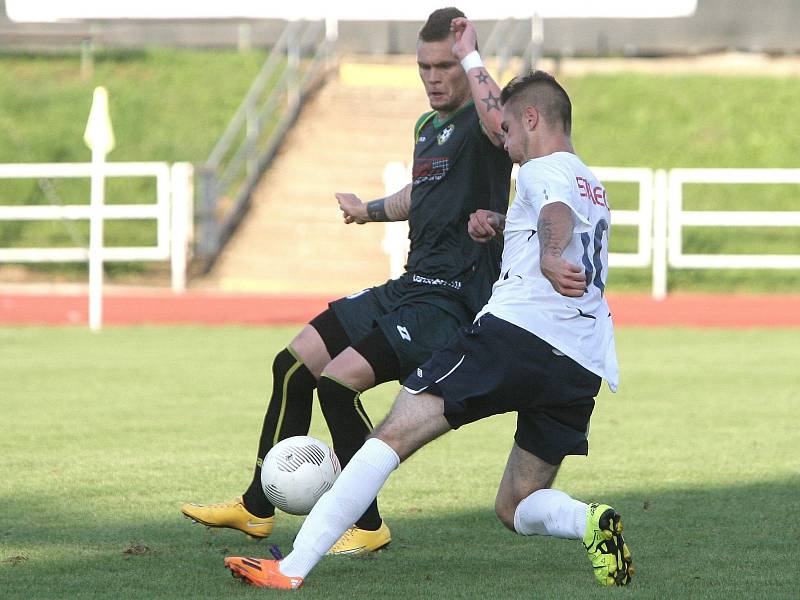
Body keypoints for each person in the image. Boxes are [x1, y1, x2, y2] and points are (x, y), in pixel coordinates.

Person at [221, 44, 634, 589]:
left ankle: (290, 568)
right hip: (582, 362)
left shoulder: (542, 168)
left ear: (532, 118)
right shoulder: (590, 182)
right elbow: (555, 213)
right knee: (516, 505)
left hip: (518, 338)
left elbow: (554, 216)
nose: (505, 144)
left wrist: (551, 256)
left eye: (508, 129)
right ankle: (589, 521)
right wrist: (504, 220)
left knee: (390, 435)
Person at [181, 7, 512, 555]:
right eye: (423, 67)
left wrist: (473, 55)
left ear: (463, 65)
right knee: (291, 365)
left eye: (443, 67)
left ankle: (367, 523)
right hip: (408, 285)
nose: (432, 78)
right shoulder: (428, 127)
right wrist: (369, 210)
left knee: (337, 384)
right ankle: (256, 507)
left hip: (449, 301)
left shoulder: (482, 122)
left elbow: (504, 125)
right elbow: (421, 194)